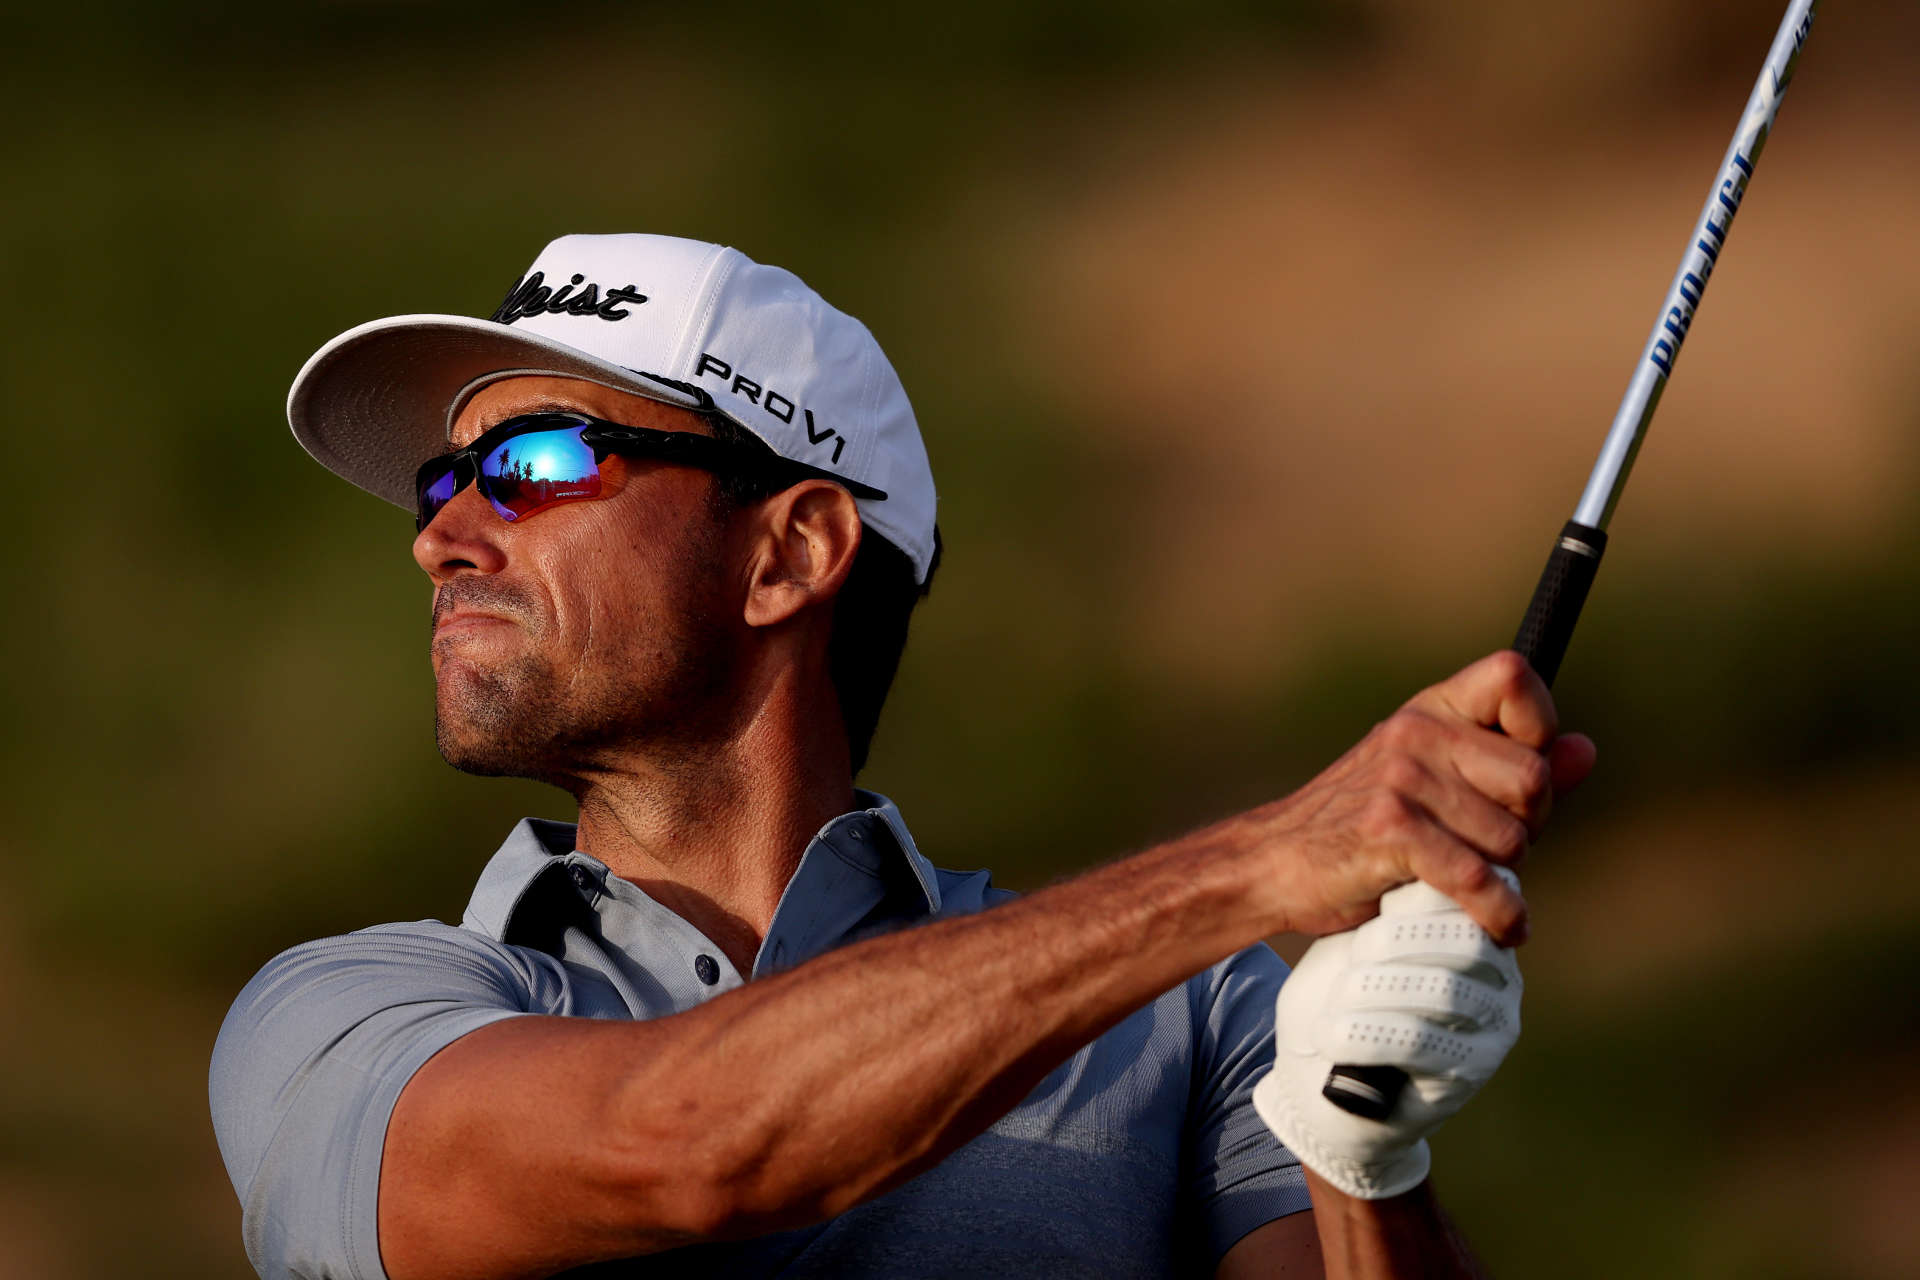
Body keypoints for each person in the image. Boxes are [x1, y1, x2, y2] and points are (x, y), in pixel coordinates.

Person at [210, 233, 1595, 1280]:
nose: (442, 534)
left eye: (537, 463)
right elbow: (687, 1138)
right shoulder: (337, 1013)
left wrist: (1366, 1143)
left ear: (790, 552)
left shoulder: (1197, 1015)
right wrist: (1261, 863)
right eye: (443, 484)